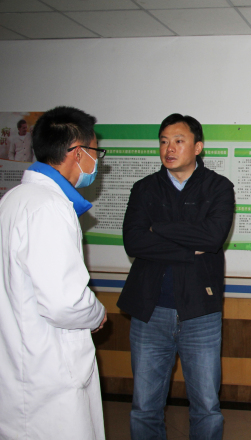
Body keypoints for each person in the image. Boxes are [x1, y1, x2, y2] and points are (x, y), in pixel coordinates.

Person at [116, 114, 235, 440]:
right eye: (164, 141)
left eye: (179, 141)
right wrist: (188, 248)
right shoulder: (144, 189)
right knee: (145, 406)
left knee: (207, 406)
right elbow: (134, 241)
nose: (169, 148)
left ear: (197, 147)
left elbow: (212, 237)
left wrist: (157, 228)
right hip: (149, 310)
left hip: (200, 311)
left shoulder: (218, 187)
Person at [0, 106, 107, 439]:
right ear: (78, 153)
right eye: (95, 151)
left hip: (21, 363)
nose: (97, 161)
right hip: (48, 373)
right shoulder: (50, 207)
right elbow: (64, 303)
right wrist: (97, 313)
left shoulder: (14, 199)